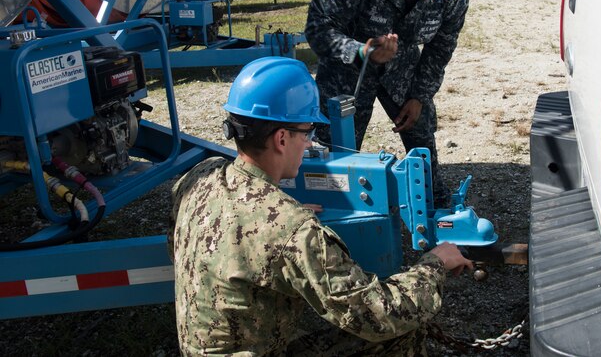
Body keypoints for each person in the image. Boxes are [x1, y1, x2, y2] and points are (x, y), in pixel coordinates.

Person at [168, 57, 473, 356]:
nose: (311, 143)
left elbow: (183, 244)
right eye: (308, 132)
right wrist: (434, 265)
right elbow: (378, 314)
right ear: (282, 139)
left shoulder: (198, 178)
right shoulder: (292, 230)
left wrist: (282, 216)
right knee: (402, 331)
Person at [305, 0, 477, 209]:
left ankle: (434, 208)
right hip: (348, 71)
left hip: (402, 68)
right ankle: (333, 214)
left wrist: (420, 97)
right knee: (336, 152)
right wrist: (359, 50)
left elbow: (440, 49)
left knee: (421, 139)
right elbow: (316, 27)